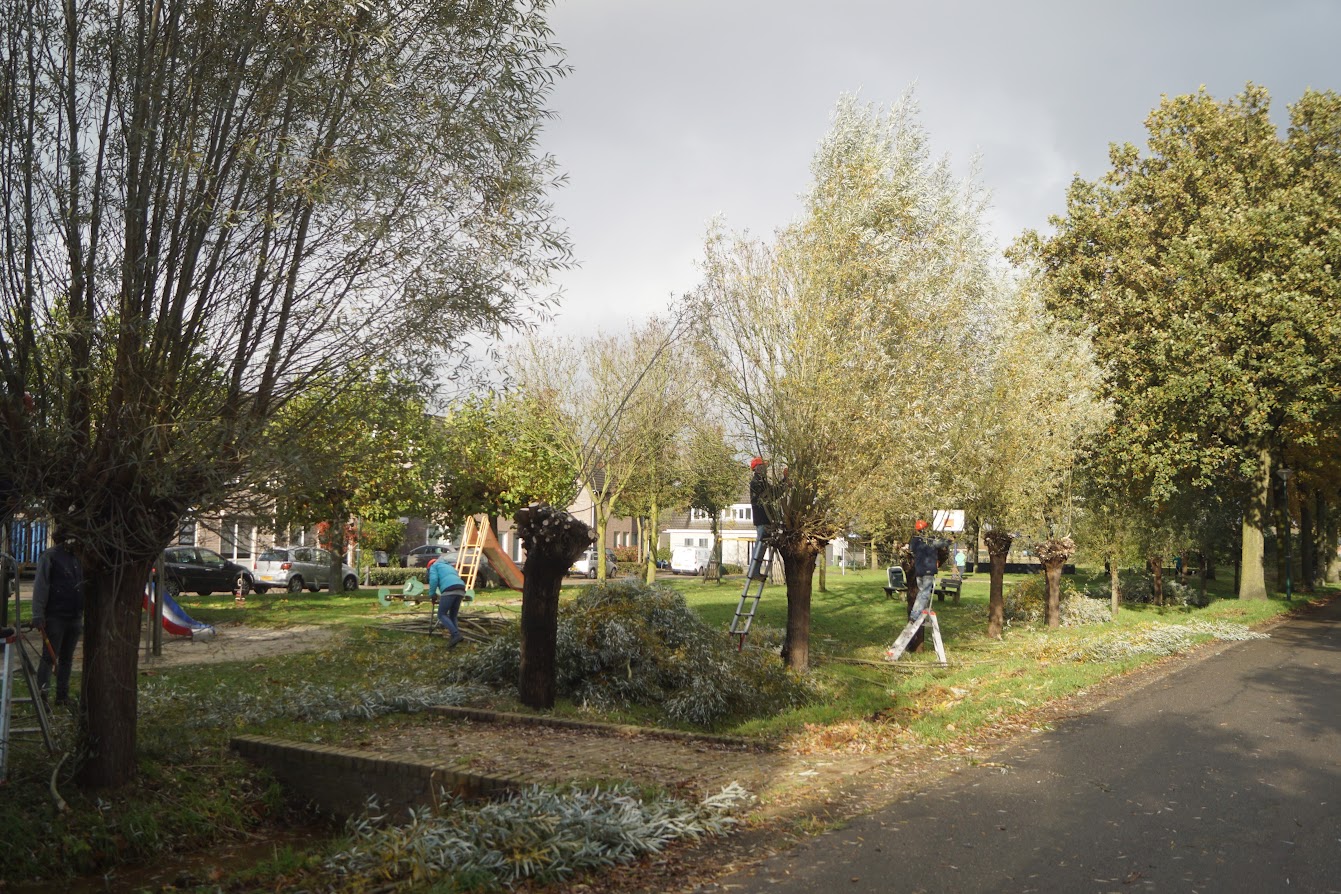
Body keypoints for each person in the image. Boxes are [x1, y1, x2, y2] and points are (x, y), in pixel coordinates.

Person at [31, 529, 84, 706]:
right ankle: (42, 696)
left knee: (67, 659)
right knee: (49, 657)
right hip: (55, 616)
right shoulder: (50, 556)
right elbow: (41, 586)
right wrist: (38, 614)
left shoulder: (79, 557)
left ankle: (62, 696)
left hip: (74, 616)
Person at [427, 556, 466, 648]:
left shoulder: (434, 566)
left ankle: (456, 634)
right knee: (453, 615)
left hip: (449, 589)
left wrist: (432, 594)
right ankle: (454, 640)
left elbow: (433, 580)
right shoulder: (448, 566)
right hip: (460, 588)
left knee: (441, 614)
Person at [908, 519, 940, 624]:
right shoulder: (930, 541)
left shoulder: (915, 541)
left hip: (919, 571)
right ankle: (915, 615)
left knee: (921, 593)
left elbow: (911, 550)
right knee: (924, 594)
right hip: (928, 571)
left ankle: (921, 615)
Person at [747, 457, 774, 581]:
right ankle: (753, 572)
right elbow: (771, 494)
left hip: (766, 518)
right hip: (762, 518)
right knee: (759, 545)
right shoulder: (756, 483)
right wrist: (784, 483)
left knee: (762, 546)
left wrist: (785, 483)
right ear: (757, 468)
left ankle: (755, 571)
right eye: (763, 466)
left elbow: (773, 494)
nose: (765, 469)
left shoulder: (762, 481)